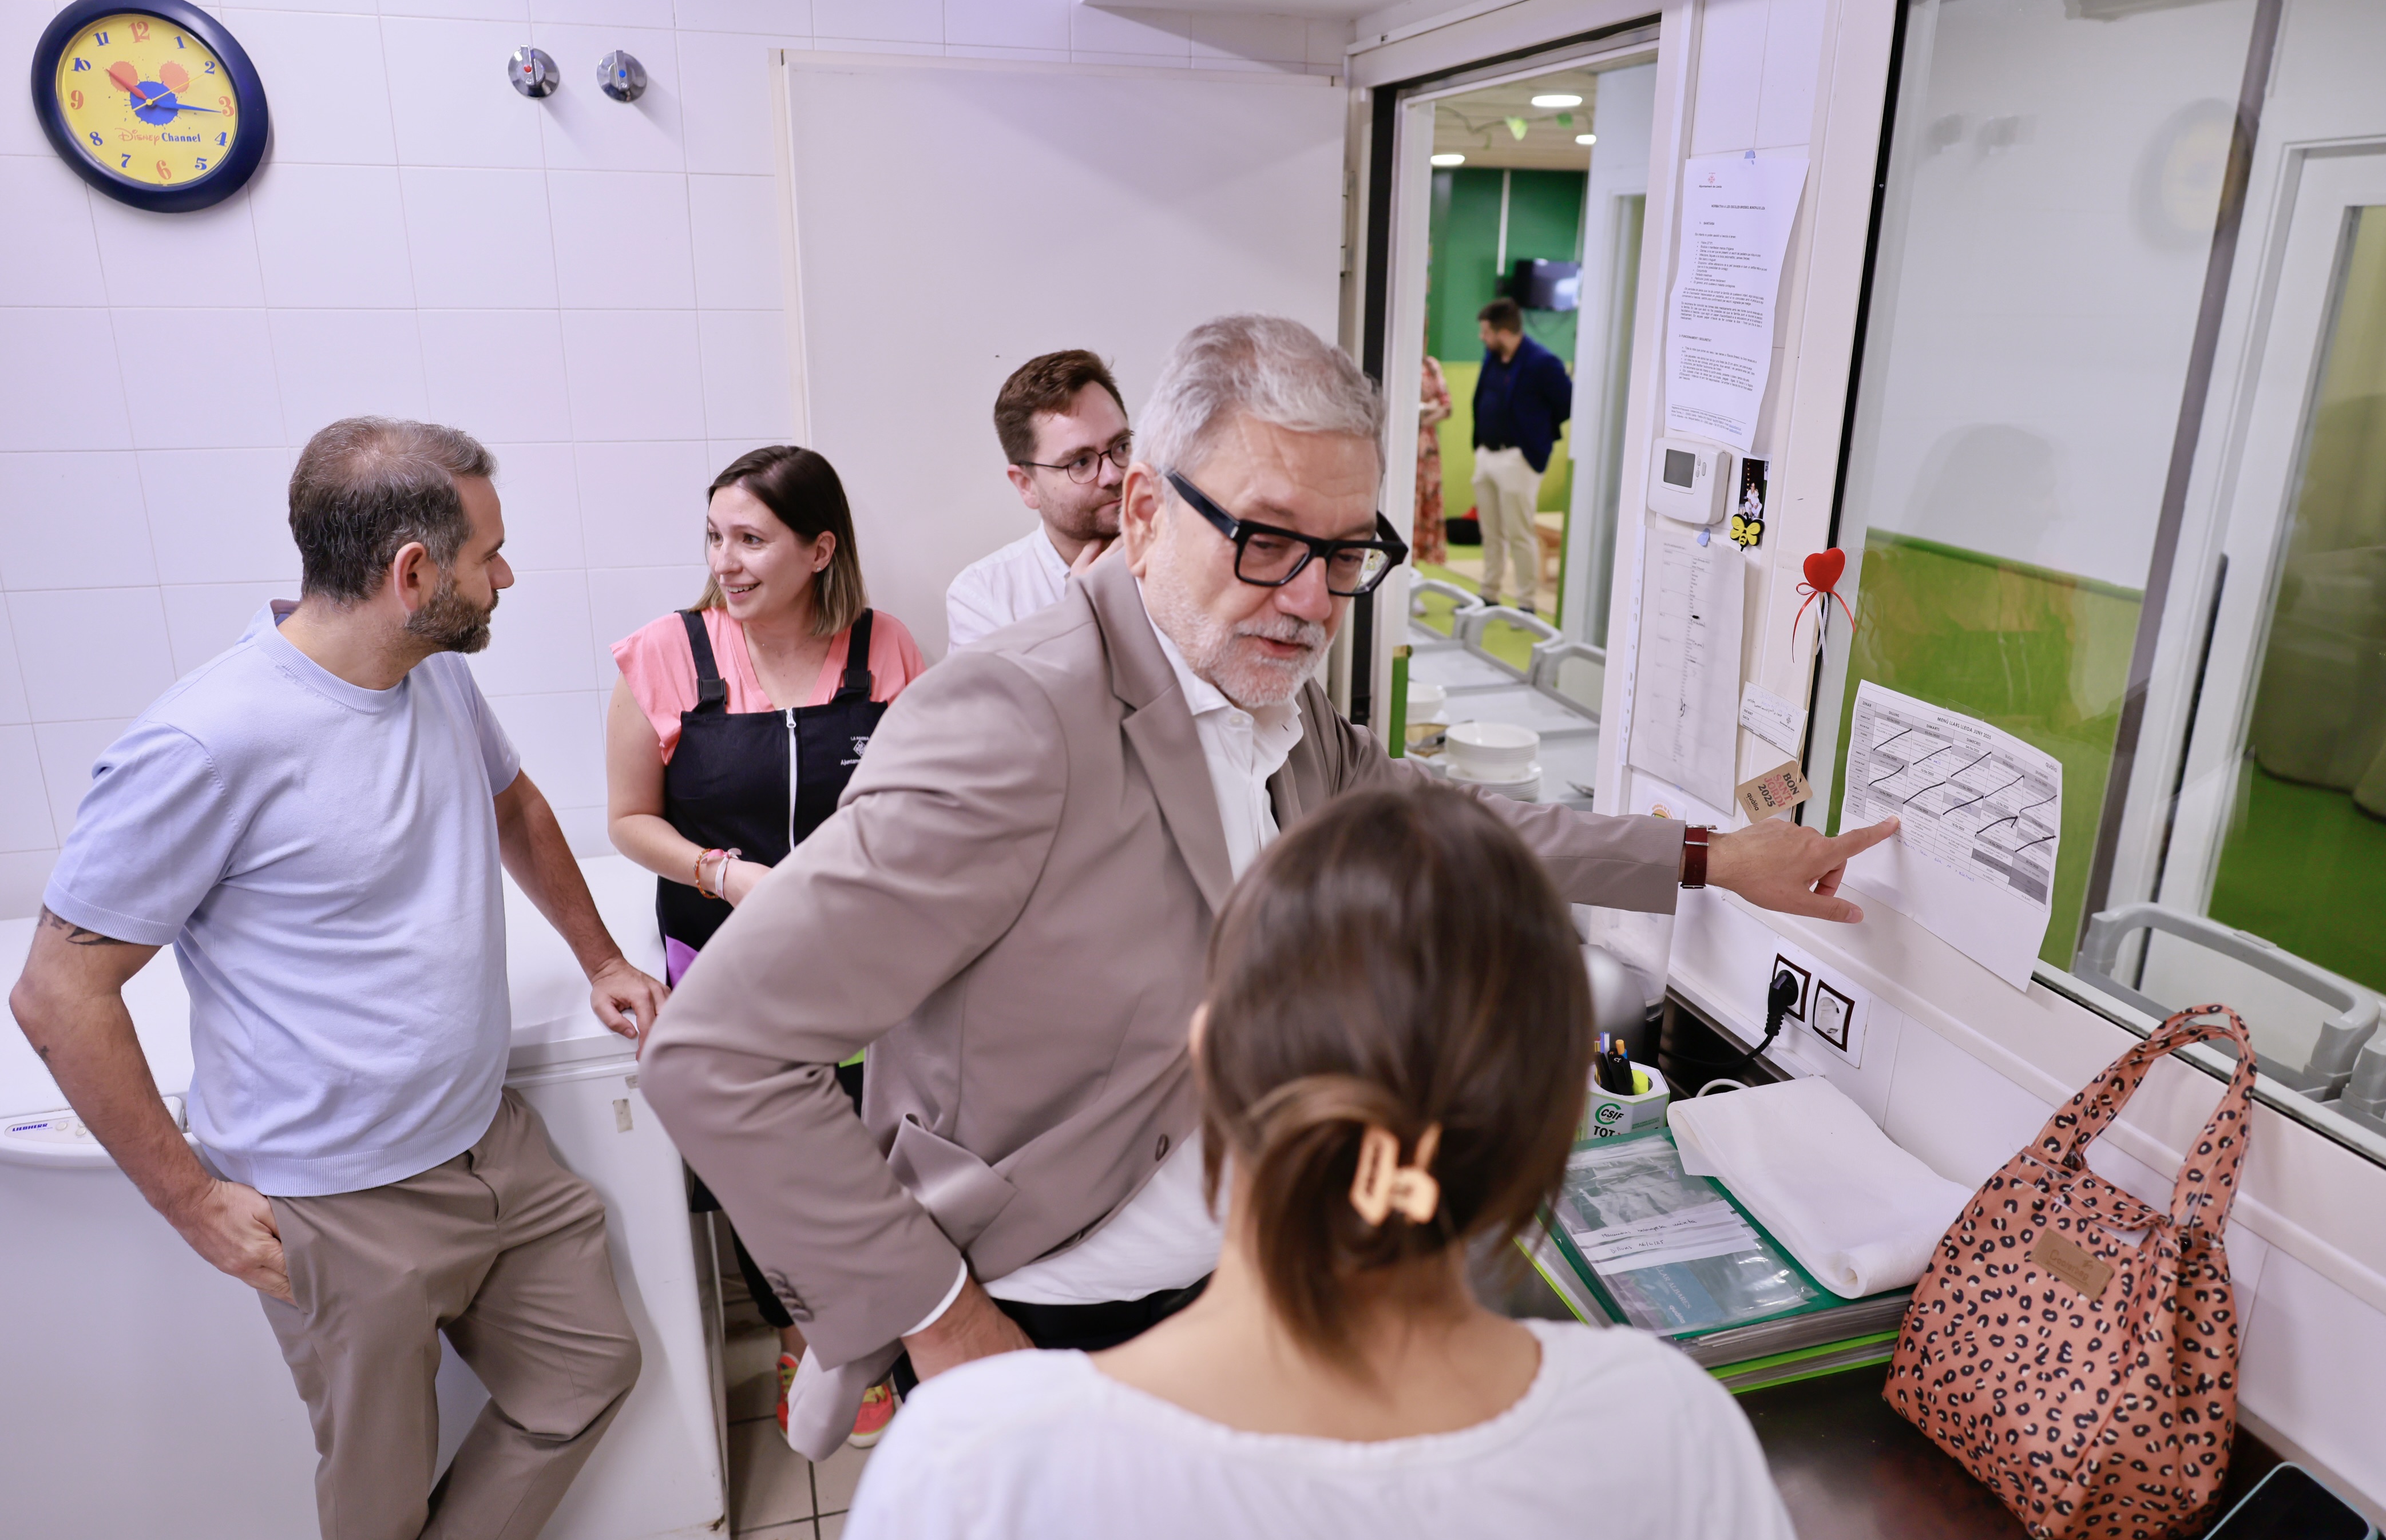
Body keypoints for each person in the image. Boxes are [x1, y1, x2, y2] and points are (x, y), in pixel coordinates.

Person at [641, 314, 1897, 1460]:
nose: (1309, 601)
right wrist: (943, 1323)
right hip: (1042, 1321)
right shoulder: (1016, 720)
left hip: (1221, 1297)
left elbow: (1444, 821)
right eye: (1265, 541)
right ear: (1140, 512)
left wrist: (1708, 857)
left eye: (1347, 555)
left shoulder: (1272, 709)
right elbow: (717, 1053)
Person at [835, 787, 1804, 1540]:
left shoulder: (977, 1465)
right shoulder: (1664, 1430)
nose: (1309, 597)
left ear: (1209, 1057)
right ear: (1552, 1126)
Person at [9, 418, 663, 1540]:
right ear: (413, 575)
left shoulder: (433, 676)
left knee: (591, 1367)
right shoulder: (207, 742)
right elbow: (59, 994)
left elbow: (514, 807)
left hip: (489, 1143)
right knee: (377, 1510)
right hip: (343, 1203)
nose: (505, 575)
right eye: (488, 555)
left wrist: (604, 958)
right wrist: (190, 1200)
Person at [605, 444, 926, 1448]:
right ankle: (804, 1331)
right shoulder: (668, 652)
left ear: (820, 548)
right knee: (759, 1162)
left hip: (862, 962)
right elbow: (626, 818)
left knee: (872, 1143)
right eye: (715, 536)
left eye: (751, 538)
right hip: (721, 958)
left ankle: (885, 1323)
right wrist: (726, 873)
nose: (727, 560)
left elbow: (920, 796)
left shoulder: (886, 649)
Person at [944, 348, 1133, 648]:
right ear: (1026, 485)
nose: (1113, 475)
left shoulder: (1189, 551)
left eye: (1121, 446)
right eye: (1080, 462)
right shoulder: (984, 596)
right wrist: (1078, 619)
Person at [1471, 296, 1574, 615]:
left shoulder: (1542, 363)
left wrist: (1537, 438)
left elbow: (1567, 405)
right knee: (1491, 532)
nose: (1481, 337)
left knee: (1519, 533)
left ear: (1503, 332)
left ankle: (1526, 603)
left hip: (1519, 459)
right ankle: (1489, 594)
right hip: (1487, 454)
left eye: (1486, 332)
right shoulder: (1493, 356)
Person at [1414, 352, 1451, 565]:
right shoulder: (1397, 361)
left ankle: (1415, 570)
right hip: (1403, 445)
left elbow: (1446, 407)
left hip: (1426, 448)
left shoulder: (1431, 366)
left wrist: (1422, 419)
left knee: (1425, 501)